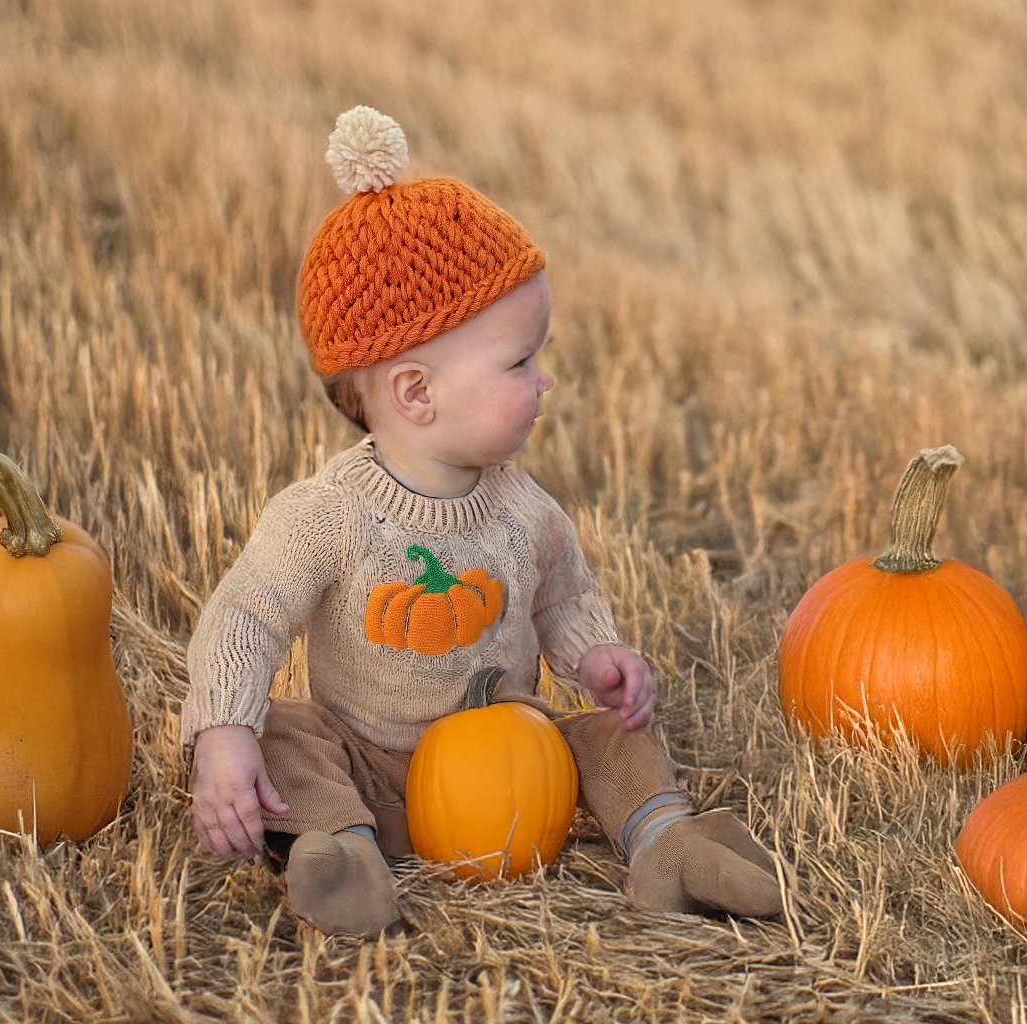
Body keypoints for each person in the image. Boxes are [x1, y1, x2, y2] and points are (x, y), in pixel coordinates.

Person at [180, 106, 784, 937]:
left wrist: (598, 657)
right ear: (417, 394)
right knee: (281, 734)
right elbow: (245, 615)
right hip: (371, 768)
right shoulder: (328, 515)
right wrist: (223, 735)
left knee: (615, 733)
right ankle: (345, 850)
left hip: (514, 764)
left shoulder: (522, 509)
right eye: (521, 361)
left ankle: (667, 844)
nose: (546, 381)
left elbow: (564, 597)